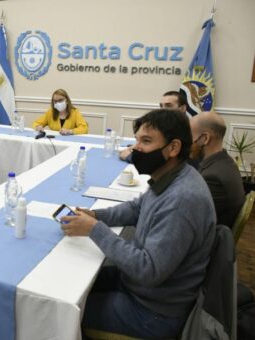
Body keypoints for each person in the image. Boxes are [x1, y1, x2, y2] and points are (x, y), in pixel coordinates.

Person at [61, 109, 215, 338]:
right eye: (137, 140)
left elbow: (148, 269)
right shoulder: (171, 176)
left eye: (146, 141)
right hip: (139, 288)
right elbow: (137, 207)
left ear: (173, 148)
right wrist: (96, 216)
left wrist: (95, 230)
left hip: (153, 312)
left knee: (65, 310)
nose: (136, 148)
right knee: (69, 282)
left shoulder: (182, 200)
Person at [190, 111, 245, 228]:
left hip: (208, 240)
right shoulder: (225, 161)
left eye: (189, 137)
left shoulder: (212, 178)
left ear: (205, 138)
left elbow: (190, 219)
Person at [119, 91, 187, 162]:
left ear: (182, 108)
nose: (163, 110)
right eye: (161, 106)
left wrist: (130, 157)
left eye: (168, 106)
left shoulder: (185, 130)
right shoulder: (168, 125)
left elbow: (162, 161)